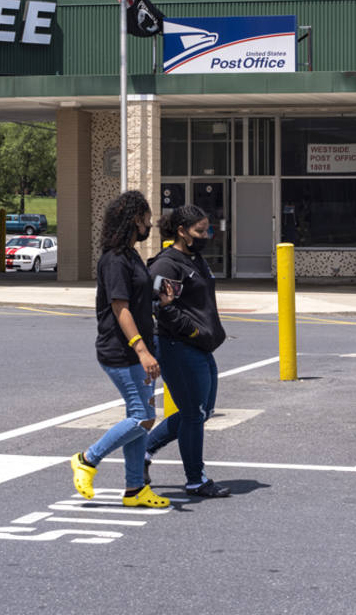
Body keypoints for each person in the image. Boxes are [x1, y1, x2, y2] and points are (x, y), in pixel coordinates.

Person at [70, 190, 174, 509]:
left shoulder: (131, 256)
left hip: (137, 348)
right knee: (142, 416)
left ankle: (134, 489)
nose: (150, 225)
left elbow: (138, 300)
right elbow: (120, 308)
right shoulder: (115, 259)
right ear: (134, 219)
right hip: (121, 351)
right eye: (146, 219)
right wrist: (143, 350)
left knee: (140, 417)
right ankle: (87, 459)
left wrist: (160, 299)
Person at [145, 204, 231, 499]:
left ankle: (143, 450)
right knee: (194, 415)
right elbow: (155, 305)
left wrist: (204, 333)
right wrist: (191, 329)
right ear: (181, 231)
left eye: (208, 228)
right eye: (200, 230)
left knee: (200, 412)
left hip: (200, 346)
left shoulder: (195, 259)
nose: (207, 234)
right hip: (176, 346)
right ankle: (196, 480)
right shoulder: (166, 265)